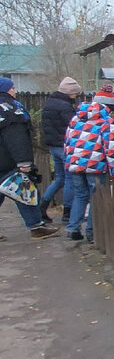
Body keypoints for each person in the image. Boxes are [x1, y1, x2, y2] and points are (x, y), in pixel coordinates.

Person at [63, 81, 114, 244]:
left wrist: (69, 162)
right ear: (110, 107)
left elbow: (67, 142)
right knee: (96, 198)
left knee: (80, 195)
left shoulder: (76, 118)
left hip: (75, 164)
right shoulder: (107, 122)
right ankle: (92, 232)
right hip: (95, 166)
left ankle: (73, 228)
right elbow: (111, 148)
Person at [0, 77, 59, 239]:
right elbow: (16, 138)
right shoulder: (11, 110)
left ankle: (36, 225)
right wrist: (24, 162)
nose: (15, 91)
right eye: (12, 88)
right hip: (8, 161)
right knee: (24, 190)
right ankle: (36, 226)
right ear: (5, 90)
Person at [40, 76, 82, 221]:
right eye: (75, 93)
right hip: (64, 146)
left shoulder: (49, 103)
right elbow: (74, 126)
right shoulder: (65, 107)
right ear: (70, 93)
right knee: (69, 179)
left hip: (53, 146)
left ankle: (43, 205)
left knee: (59, 178)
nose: (76, 96)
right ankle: (68, 213)